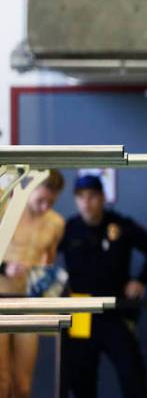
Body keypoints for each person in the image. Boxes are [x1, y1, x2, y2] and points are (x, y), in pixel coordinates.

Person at [59, 175, 147, 398]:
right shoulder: (68, 228)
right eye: (80, 197)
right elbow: (43, 258)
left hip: (116, 310)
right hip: (80, 313)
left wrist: (141, 280)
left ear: (103, 198)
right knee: (81, 382)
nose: (86, 202)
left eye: (92, 196)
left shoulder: (121, 225)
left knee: (133, 376)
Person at [0, 170, 65, 398]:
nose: (45, 207)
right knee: (2, 382)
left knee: (23, 384)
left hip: (27, 304)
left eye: (51, 202)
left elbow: (48, 262)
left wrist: (46, 283)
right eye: (40, 200)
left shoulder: (56, 223)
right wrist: (4, 267)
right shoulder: (5, 210)